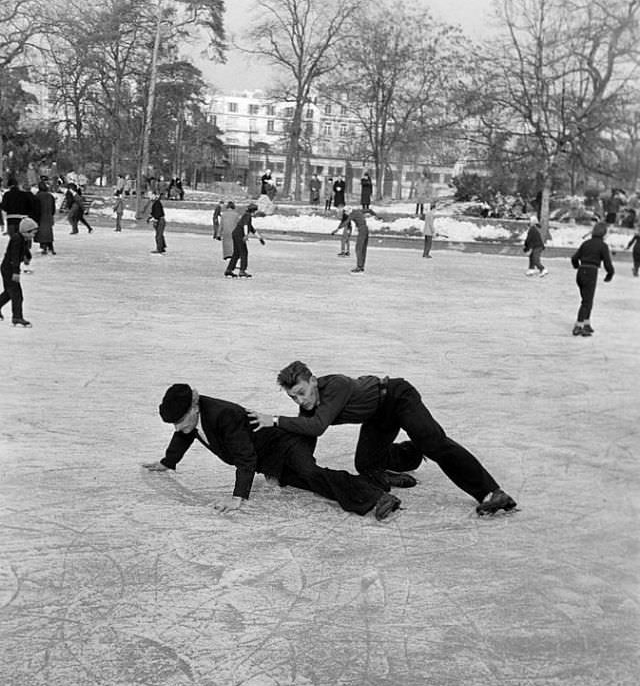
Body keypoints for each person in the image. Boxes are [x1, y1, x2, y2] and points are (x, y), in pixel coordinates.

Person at [247, 362, 517, 516]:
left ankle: (492, 492)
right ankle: (413, 452)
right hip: (378, 417)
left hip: (398, 397)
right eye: (293, 397)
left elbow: (316, 427)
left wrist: (276, 420)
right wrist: (294, 468)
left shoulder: (336, 385)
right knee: (366, 465)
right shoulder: (309, 406)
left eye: (302, 392)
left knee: (435, 444)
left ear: (314, 381)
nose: (301, 400)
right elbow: (306, 433)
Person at [142, 384, 401, 521]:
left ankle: (378, 498)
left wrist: (238, 497)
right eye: (173, 422)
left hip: (287, 441)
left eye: (181, 419)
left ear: (194, 406)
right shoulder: (191, 420)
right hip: (267, 456)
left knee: (310, 473)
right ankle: (368, 484)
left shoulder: (224, 415)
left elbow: (245, 457)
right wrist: (167, 462)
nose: (179, 426)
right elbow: (183, 435)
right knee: (305, 482)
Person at [570, 222, 614, 337]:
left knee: (587, 299)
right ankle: (578, 326)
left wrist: (576, 266)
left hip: (581, 272)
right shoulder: (603, 246)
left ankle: (586, 323)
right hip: (591, 272)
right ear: (604, 233)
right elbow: (607, 263)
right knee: (587, 301)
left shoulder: (586, 243)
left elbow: (574, 258)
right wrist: (610, 274)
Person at [0, 216, 37, 327]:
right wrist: (15, 272)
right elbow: (14, 256)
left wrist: (27, 257)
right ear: (26, 231)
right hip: (9, 269)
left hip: (8, 268)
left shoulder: (22, 238)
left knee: (9, 292)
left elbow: (24, 250)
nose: (34, 235)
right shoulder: (17, 239)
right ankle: (17, 317)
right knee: (17, 295)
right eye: (33, 233)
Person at [225, 202, 265, 278]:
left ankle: (229, 270)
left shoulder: (246, 216)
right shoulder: (247, 216)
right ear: (253, 211)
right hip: (239, 235)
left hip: (236, 234)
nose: (256, 213)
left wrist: (259, 238)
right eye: (256, 211)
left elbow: (252, 229)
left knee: (236, 253)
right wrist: (246, 235)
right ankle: (242, 271)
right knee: (244, 252)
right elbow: (245, 225)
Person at [335, 206, 368, 273]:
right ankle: (361, 267)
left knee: (358, 249)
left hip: (362, 231)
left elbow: (346, 222)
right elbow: (369, 210)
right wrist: (376, 215)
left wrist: (337, 229)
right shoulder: (357, 211)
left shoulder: (352, 214)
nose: (346, 214)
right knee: (363, 249)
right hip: (366, 230)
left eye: (345, 212)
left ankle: (359, 267)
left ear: (348, 211)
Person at [35, 180, 56, 254]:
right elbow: (53, 209)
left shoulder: (37, 196)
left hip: (40, 216)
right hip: (49, 216)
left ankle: (43, 247)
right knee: (48, 232)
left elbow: (36, 207)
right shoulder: (50, 196)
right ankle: (51, 247)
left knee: (42, 232)